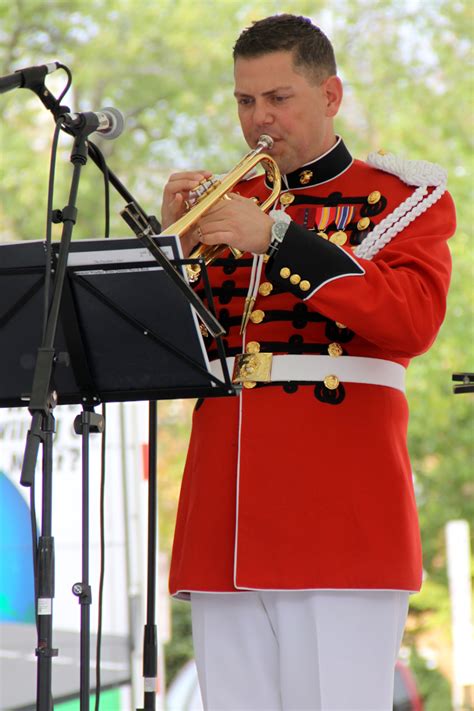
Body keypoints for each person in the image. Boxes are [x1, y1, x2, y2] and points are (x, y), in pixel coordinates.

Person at [161, 14, 456, 711]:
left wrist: (281, 239)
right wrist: (163, 250)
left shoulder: (400, 197)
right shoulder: (221, 206)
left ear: (330, 96)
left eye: (279, 97)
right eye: (244, 100)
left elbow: (411, 320)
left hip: (338, 518)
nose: (259, 118)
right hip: (221, 520)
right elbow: (165, 349)